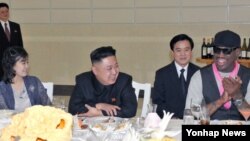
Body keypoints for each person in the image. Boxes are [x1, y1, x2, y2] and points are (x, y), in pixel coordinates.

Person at [185, 30, 250, 120]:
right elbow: (192, 112)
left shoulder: (247, 76)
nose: (220, 55)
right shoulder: (199, 76)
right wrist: (220, 101)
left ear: (237, 52)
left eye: (226, 51)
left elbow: (248, 115)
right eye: (217, 50)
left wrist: (237, 95)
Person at [68, 46, 137, 118]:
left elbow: (130, 110)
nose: (114, 72)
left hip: (116, 127)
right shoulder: (83, 81)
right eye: (109, 68)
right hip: (89, 127)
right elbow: (73, 109)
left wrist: (100, 112)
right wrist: (99, 105)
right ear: (95, 70)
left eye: (116, 66)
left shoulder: (124, 81)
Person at [152, 34, 200, 119]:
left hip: (194, 120)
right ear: (172, 52)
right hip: (170, 121)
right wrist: (172, 117)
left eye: (186, 50)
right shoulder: (161, 74)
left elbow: (203, 101)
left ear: (191, 52)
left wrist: (194, 116)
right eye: (178, 50)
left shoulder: (199, 72)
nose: (183, 54)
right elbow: (157, 103)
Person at [0, 47, 51, 112]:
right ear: (11, 65)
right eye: (23, 63)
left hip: (34, 121)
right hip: (12, 122)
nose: (27, 66)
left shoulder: (34, 82)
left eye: (27, 62)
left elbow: (48, 107)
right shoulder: (2, 88)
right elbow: (3, 115)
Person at [0, 2, 23, 80]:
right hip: (1, 62)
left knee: (14, 82)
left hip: (14, 62)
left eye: (7, 11)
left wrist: (21, 58)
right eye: (2, 12)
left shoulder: (16, 26)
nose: (5, 14)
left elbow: (20, 44)